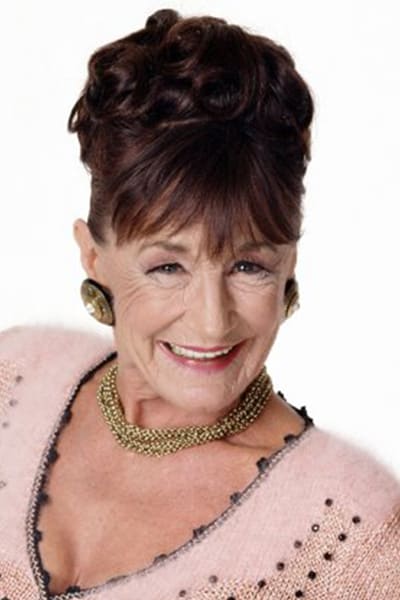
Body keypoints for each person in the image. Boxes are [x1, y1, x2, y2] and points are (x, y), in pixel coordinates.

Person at [0, 8, 399, 600]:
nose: (212, 322)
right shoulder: (13, 373)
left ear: (289, 264)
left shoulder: (355, 534)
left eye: (248, 266)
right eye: (168, 267)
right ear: (93, 256)